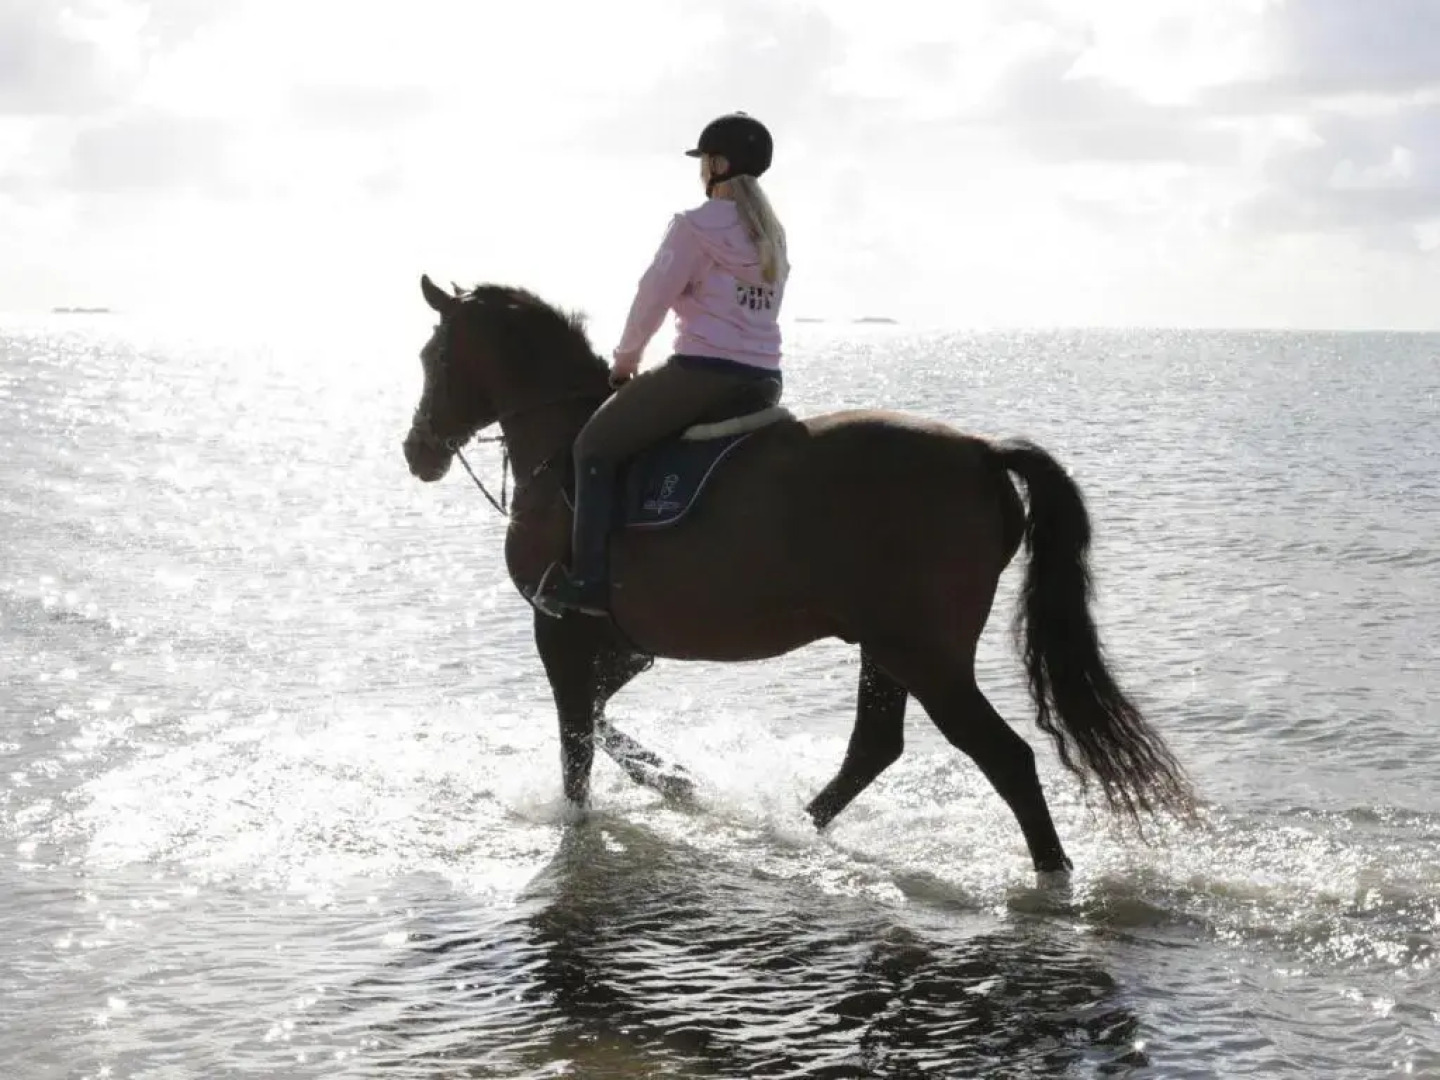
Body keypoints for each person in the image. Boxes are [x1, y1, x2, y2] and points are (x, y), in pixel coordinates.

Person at [536, 111, 791, 618]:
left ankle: (589, 582)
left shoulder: (694, 227)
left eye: (705, 161)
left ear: (717, 166)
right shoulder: (772, 232)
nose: (701, 169)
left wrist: (624, 364)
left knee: (593, 446)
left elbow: (651, 299)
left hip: (702, 373)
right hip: (764, 379)